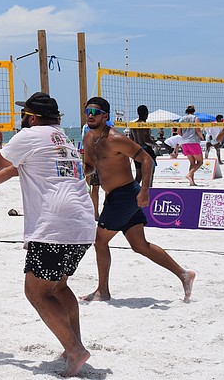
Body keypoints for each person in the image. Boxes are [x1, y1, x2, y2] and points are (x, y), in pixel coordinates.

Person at [0, 92, 96, 377]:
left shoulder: (30, 135)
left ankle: (76, 350)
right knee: (58, 287)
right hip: (81, 223)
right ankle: (72, 346)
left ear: (30, 116)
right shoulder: (61, 139)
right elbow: (10, 171)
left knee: (36, 292)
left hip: (55, 225)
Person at [81, 97, 196, 303]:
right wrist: (79, 170)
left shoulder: (115, 138)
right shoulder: (89, 139)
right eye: (87, 110)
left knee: (99, 241)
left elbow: (146, 159)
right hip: (116, 196)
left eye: (95, 112)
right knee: (139, 245)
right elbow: (91, 166)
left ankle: (102, 291)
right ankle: (184, 274)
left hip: (125, 195)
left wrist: (145, 190)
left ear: (105, 116)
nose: (90, 115)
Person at [128, 105, 157, 185]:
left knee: (139, 176)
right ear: (146, 114)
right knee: (149, 176)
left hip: (136, 151)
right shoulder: (145, 125)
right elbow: (146, 140)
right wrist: (156, 145)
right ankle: (149, 193)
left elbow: (131, 140)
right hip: (146, 151)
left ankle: (133, 193)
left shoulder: (133, 125)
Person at [178, 105, 204, 186]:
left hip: (184, 143)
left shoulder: (181, 119)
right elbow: (198, 129)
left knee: (192, 163)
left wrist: (185, 137)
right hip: (193, 141)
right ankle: (189, 175)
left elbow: (179, 132)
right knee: (200, 162)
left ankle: (192, 182)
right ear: (194, 111)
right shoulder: (195, 118)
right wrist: (201, 137)